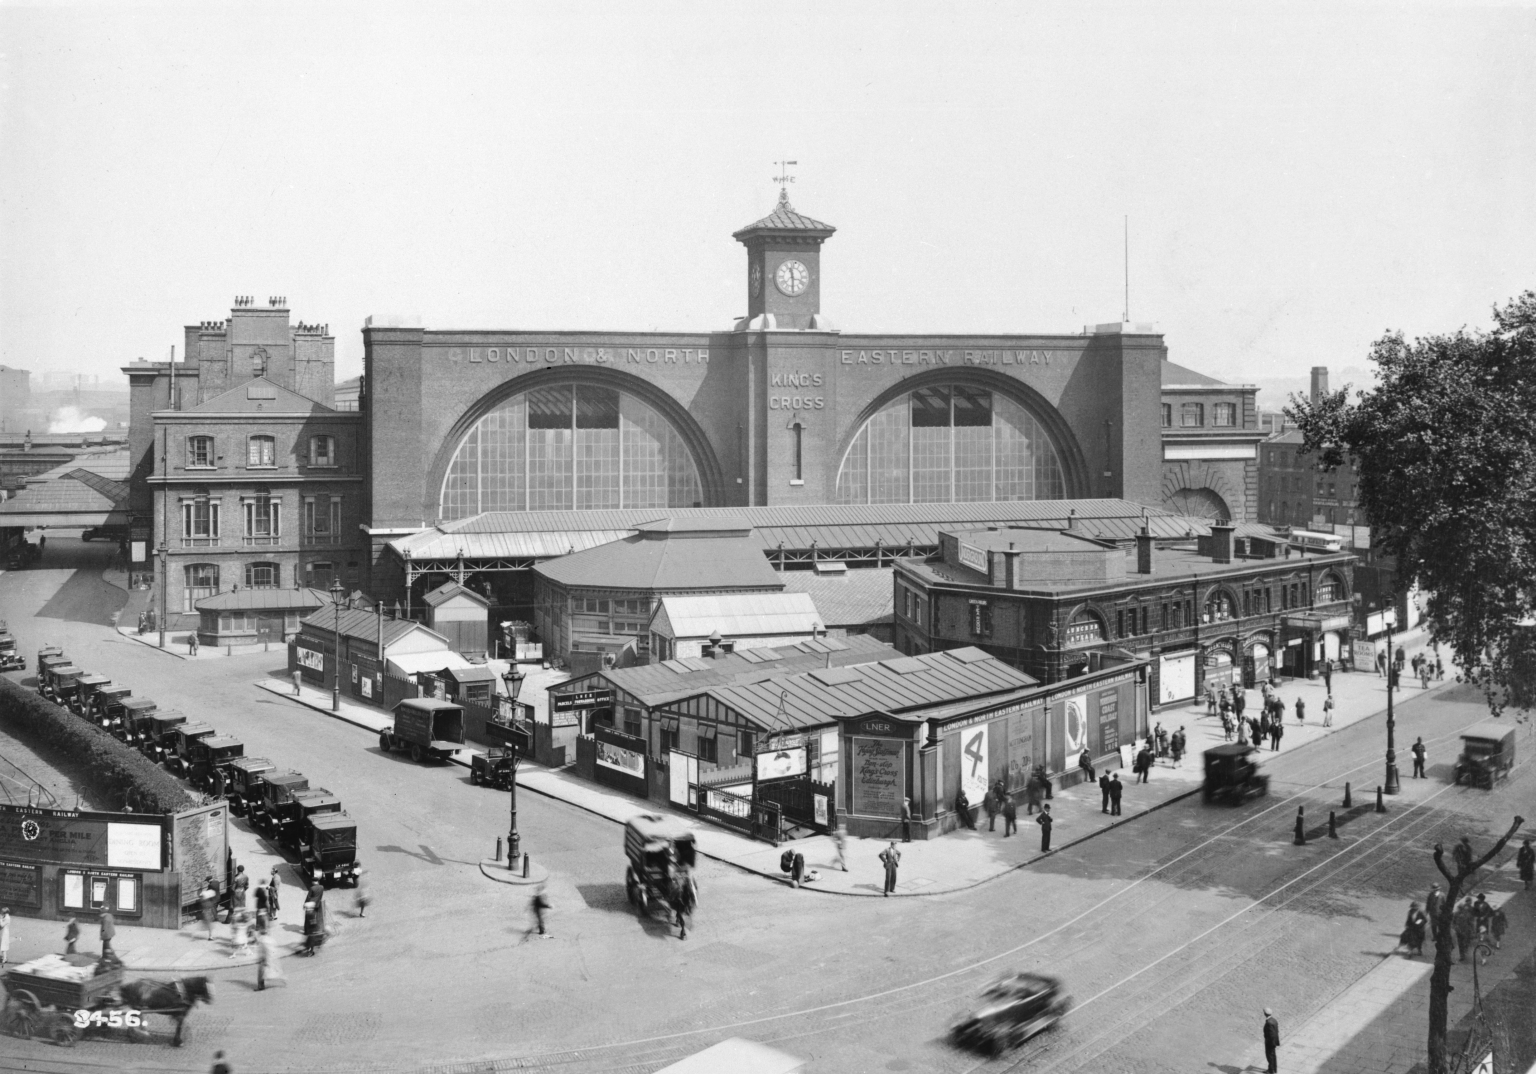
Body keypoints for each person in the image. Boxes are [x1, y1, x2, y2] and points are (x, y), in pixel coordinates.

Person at [255, 922, 284, 991]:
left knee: (262, 973)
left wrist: (263, 958)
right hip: (267, 958)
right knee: (264, 973)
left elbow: (263, 950)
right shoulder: (269, 939)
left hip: (264, 959)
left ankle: (261, 986)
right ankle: (261, 985)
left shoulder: (262, 940)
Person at [1263, 1008, 1281, 1074]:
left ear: (1265, 1014)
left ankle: (1271, 1071)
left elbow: (1271, 1034)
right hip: (1274, 1041)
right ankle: (1273, 1069)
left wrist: (1269, 1042)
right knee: (1273, 1056)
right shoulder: (1274, 1020)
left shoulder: (1269, 1023)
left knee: (1269, 1056)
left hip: (1270, 1043)